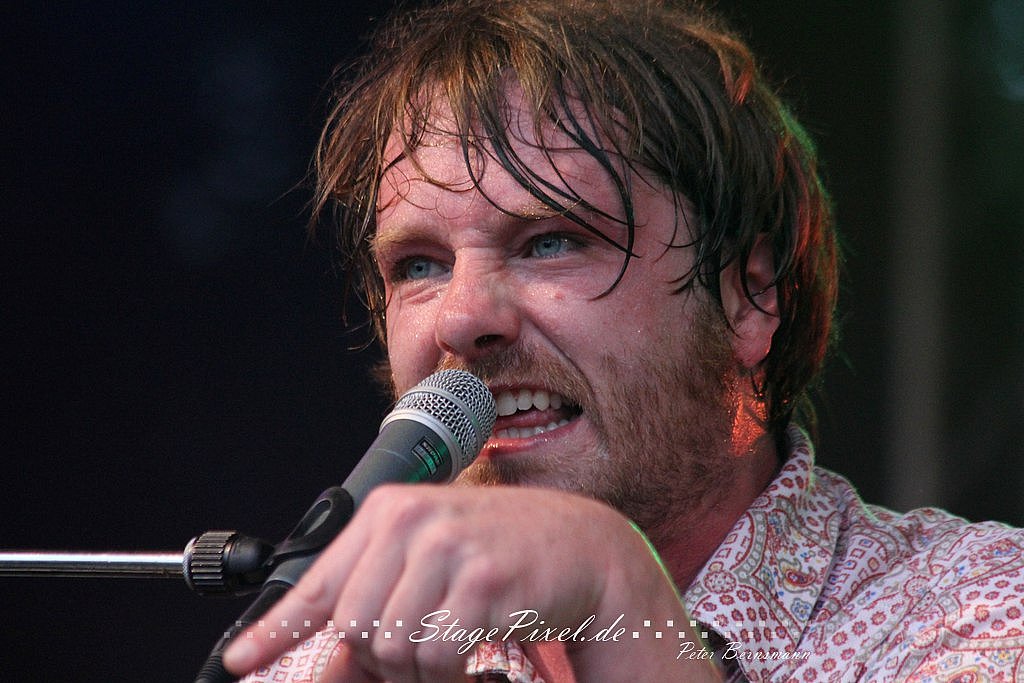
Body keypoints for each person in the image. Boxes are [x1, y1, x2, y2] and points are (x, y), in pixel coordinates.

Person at [222, 0, 1024, 681]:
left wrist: (620, 592)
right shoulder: (309, 663)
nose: (461, 318)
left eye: (550, 242)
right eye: (419, 265)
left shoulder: (980, 613)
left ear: (750, 295)